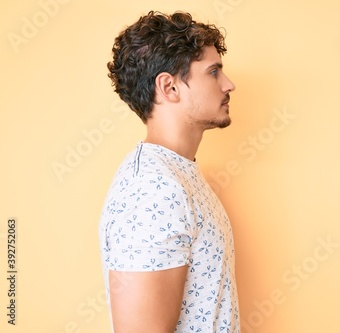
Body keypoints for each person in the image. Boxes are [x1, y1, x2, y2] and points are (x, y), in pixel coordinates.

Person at [98, 11, 240, 333]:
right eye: (213, 72)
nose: (229, 84)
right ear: (169, 87)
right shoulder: (151, 190)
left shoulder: (176, 174)